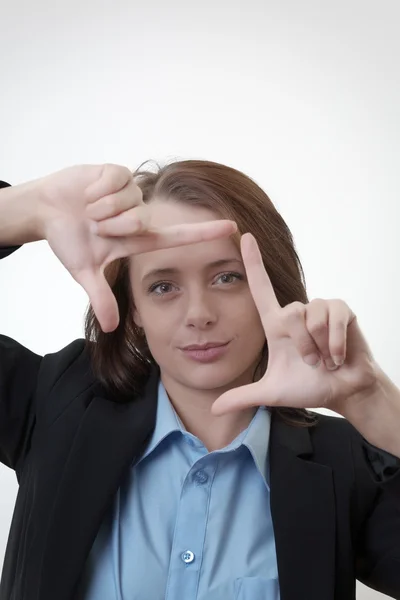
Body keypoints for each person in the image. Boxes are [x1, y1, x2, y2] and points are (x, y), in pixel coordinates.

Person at [0, 161, 400, 600]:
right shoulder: (57, 401)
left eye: (227, 278)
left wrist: (377, 403)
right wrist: (23, 209)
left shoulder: (344, 463)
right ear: (133, 308)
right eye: (163, 286)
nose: (199, 314)